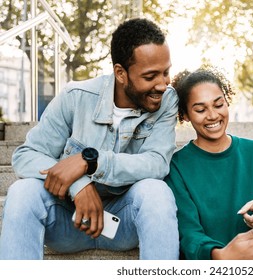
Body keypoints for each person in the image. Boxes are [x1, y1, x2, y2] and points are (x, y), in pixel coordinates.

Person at [0, 18, 179, 260]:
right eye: (150, 76)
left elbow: (156, 163)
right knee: (22, 191)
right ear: (121, 73)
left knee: (156, 191)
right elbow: (26, 156)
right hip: (69, 221)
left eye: (166, 72)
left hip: (123, 224)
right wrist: (79, 185)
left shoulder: (166, 101)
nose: (162, 84)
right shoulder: (76, 97)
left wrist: (92, 162)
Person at [164, 67, 253, 260]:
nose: (213, 115)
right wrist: (222, 256)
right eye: (200, 109)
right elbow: (188, 234)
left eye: (218, 104)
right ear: (185, 114)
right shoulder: (177, 167)